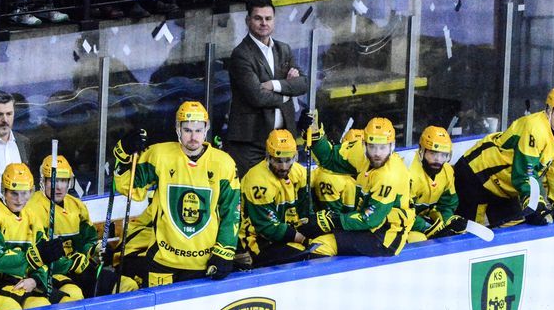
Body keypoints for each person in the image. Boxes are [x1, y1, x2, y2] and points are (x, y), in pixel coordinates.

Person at [113, 101, 241, 286]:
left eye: (198, 130)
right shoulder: (159, 155)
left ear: (206, 129)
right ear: (177, 129)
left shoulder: (223, 163)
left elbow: (232, 211)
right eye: (187, 130)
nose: (193, 137)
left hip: (202, 262)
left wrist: (225, 252)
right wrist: (123, 152)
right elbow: (128, 186)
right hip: (162, 260)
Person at [453, 86, 554, 226]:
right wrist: (535, 202)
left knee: (515, 228)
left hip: (506, 187)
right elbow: (526, 171)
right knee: (470, 229)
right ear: (549, 110)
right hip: (477, 172)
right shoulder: (535, 128)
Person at [0, 162, 83, 310]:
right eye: (14, 193)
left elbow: (44, 259)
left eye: (24, 193)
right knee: (31, 306)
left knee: (69, 301)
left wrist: (35, 280)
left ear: (32, 191)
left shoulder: (31, 216)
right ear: (4, 190)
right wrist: (35, 257)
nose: (19, 199)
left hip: (23, 280)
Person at [303, 114, 414, 256]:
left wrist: (333, 220)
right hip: (366, 225)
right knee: (312, 233)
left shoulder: (389, 175)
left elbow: (371, 220)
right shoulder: (361, 153)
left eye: (383, 148)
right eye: (372, 147)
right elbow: (329, 158)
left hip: (386, 235)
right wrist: (314, 134)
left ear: (392, 146)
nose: (377, 153)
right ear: (364, 144)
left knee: (321, 245)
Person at [25, 154, 129, 296]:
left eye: (63, 180)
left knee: (126, 285)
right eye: (53, 180)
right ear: (43, 181)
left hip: (81, 268)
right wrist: (74, 263)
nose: (59, 186)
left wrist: (97, 251)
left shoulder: (77, 205)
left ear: (70, 182)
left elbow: (87, 241)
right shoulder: (31, 209)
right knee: (74, 295)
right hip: (52, 273)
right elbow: (35, 255)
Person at [225, 0, 309, 175]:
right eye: (258, 18)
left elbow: (303, 83)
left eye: (268, 18)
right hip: (251, 142)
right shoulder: (241, 54)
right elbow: (257, 96)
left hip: (283, 139)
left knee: (283, 188)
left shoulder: (284, 49)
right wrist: (287, 90)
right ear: (248, 20)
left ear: (274, 21)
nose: (264, 23)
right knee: (252, 188)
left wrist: (274, 84)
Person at [239, 129, 322, 267]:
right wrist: (302, 239)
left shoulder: (300, 173)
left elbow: (305, 210)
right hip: (258, 241)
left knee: (322, 249)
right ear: (268, 157)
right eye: (278, 161)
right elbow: (267, 227)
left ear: (295, 157)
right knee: (302, 257)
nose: (283, 167)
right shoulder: (257, 181)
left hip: (287, 235)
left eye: (288, 160)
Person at [408, 125, 462, 241]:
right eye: (433, 153)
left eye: (443, 155)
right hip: (399, 224)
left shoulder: (447, 171)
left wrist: (448, 223)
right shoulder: (408, 172)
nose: (438, 159)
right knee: (418, 239)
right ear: (421, 150)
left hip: (420, 218)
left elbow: (447, 205)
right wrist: (427, 227)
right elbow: (402, 212)